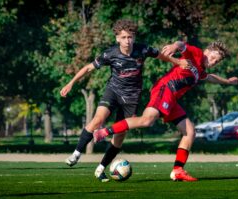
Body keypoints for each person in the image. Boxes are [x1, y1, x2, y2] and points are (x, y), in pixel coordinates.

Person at [60, 19, 189, 182]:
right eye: (124, 37)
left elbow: (161, 55)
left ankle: (100, 169)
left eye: (130, 37)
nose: (127, 40)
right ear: (117, 38)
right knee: (98, 120)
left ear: (134, 38)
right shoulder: (110, 53)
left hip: (132, 97)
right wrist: (71, 83)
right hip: (113, 91)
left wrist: (178, 62)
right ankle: (76, 154)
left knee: (119, 138)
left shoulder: (143, 49)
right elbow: (88, 67)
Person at [94, 40, 238, 181]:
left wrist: (227, 82)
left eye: (217, 61)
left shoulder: (200, 69)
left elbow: (208, 77)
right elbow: (181, 44)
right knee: (147, 121)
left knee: (189, 131)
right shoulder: (197, 54)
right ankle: (104, 132)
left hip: (172, 99)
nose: (213, 61)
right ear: (207, 51)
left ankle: (178, 170)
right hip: (165, 89)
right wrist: (174, 46)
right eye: (213, 57)